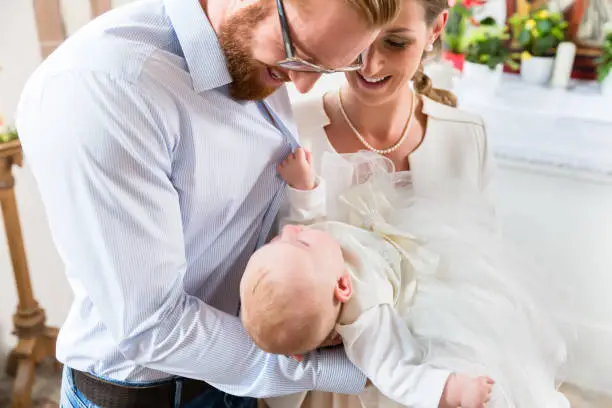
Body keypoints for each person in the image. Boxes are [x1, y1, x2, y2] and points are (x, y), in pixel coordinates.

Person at [15, 0, 403, 406]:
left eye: (325, 68)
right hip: (154, 395)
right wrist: (363, 368)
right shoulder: (106, 86)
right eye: (298, 53)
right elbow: (154, 327)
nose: (301, 85)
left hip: (237, 382)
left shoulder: (249, 53)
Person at [243, 148, 568, 408]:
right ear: (343, 286)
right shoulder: (366, 320)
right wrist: (452, 391)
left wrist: (303, 187)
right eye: (298, 241)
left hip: (398, 242)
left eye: (276, 241)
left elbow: (307, 219)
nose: (288, 230)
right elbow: (396, 372)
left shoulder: (311, 263)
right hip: (416, 288)